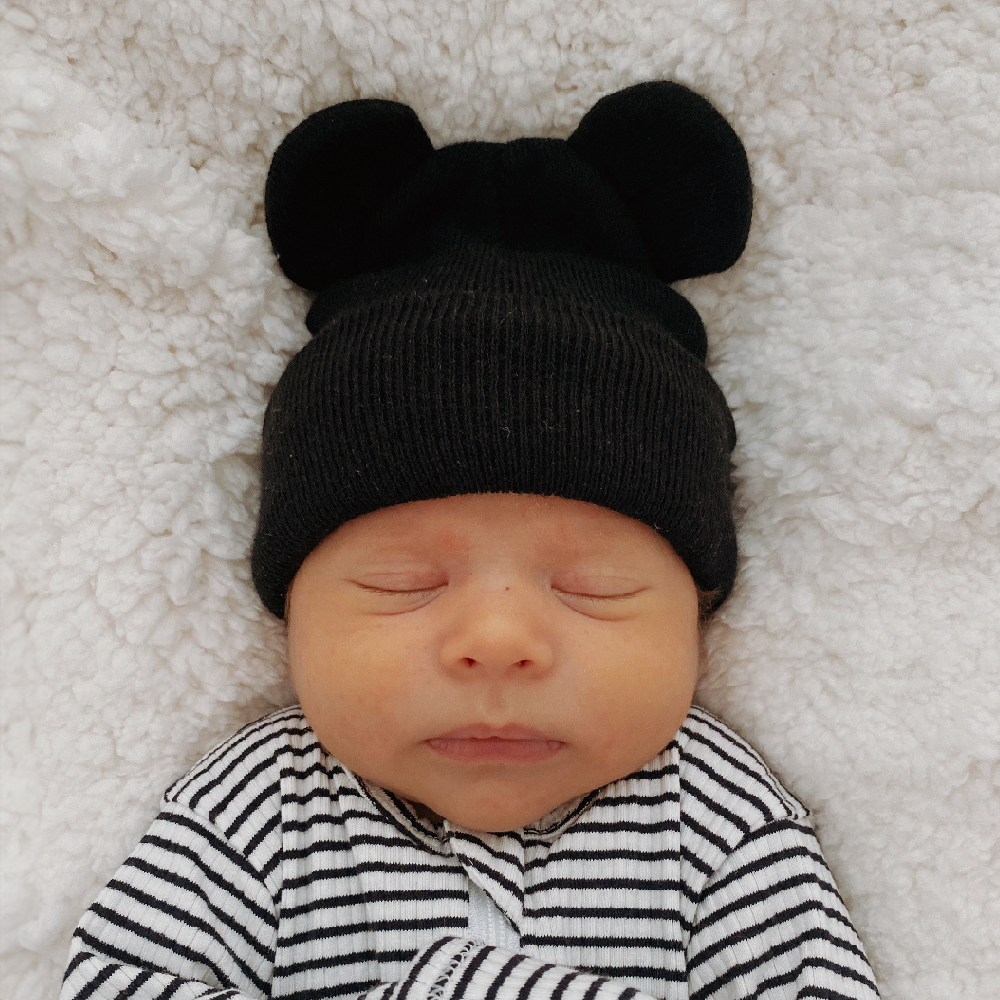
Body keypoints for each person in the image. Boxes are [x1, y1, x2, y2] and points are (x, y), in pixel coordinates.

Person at [60, 81, 880, 1000]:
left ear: (699, 615)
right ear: (291, 609)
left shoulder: (717, 810)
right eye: (404, 582)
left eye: (593, 586)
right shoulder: (258, 806)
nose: (498, 642)